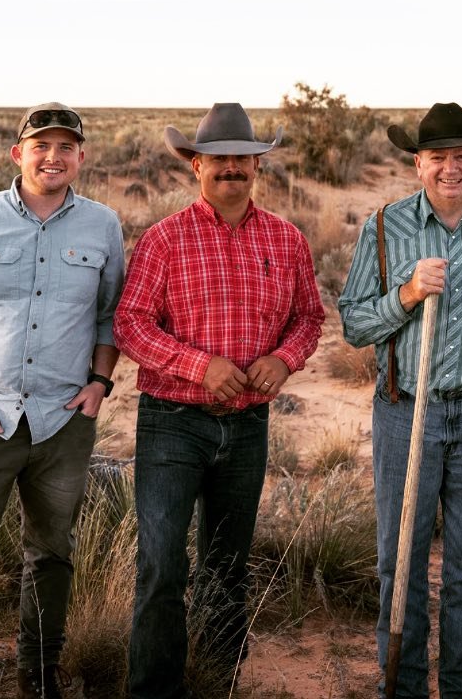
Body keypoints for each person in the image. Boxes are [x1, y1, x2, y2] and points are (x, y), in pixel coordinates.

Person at [114, 103, 324, 699]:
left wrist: (284, 359)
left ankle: (217, 681)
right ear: (195, 166)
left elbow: (310, 316)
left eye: (243, 158)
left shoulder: (286, 239)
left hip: (248, 425)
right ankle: (154, 689)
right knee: (161, 567)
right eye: (219, 159)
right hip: (172, 424)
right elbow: (130, 323)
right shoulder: (164, 240)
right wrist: (198, 365)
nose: (232, 168)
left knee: (228, 567)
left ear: (257, 165)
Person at [339, 101, 462, 699]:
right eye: (437, 158)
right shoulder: (384, 228)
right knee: (398, 561)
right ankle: (401, 687)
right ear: (418, 165)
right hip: (407, 410)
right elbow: (353, 324)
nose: (450, 168)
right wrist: (405, 294)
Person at [0, 103, 124, 699]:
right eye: (41, 146)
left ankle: (37, 680)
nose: (54, 156)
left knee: (51, 558)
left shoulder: (103, 226)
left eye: (66, 147)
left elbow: (109, 317)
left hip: (63, 423)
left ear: (81, 157)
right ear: (18, 154)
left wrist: (100, 385)